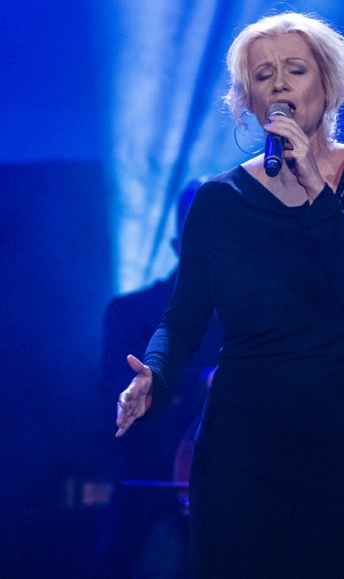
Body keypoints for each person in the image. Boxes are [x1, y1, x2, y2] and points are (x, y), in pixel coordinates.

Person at [115, 11, 344, 579]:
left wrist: (314, 184)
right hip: (243, 447)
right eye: (262, 74)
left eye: (295, 70)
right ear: (246, 99)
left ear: (328, 83)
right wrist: (156, 374)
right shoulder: (218, 201)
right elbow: (184, 316)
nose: (278, 85)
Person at [94, 181, 222, 579]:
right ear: (178, 246)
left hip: (221, 486)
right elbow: (117, 389)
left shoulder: (243, 317)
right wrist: (201, 381)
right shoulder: (132, 311)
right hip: (148, 479)